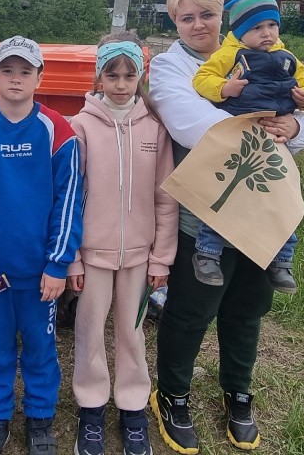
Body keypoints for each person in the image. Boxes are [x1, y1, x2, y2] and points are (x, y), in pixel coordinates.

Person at [148, 0, 304, 453]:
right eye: (187, 17)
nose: (199, 25)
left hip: (264, 207)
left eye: (207, 14)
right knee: (192, 309)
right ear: (175, 23)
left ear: (226, 18)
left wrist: (296, 122)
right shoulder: (170, 67)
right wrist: (268, 122)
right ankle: (173, 394)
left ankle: (239, 394)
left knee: (247, 307)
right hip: (206, 213)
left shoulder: (269, 49)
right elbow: (188, 121)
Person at [0, 35, 83, 455]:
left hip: (40, 273)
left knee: (42, 349)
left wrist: (59, 263)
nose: (16, 78)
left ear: (39, 77)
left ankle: (41, 419)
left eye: (25, 71)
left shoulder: (57, 129)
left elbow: (69, 201)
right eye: (7, 70)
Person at [67, 31, 179, 455]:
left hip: (139, 258)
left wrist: (161, 257)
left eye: (129, 74)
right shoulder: (80, 127)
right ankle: (91, 408)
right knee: (90, 331)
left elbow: (165, 195)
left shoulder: (155, 127)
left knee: (132, 334)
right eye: (111, 74)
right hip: (92, 256)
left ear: (140, 76)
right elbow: (69, 198)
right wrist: (73, 259)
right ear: (98, 77)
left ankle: (133, 408)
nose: (120, 83)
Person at [190, 0, 304, 294]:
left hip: (275, 139)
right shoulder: (229, 54)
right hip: (240, 135)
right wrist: (224, 89)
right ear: (240, 30)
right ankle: (207, 252)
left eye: (272, 25)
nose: (267, 33)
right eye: (258, 26)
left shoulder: (288, 58)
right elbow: (202, 78)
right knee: (225, 195)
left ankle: (282, 258)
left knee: (280, 198)